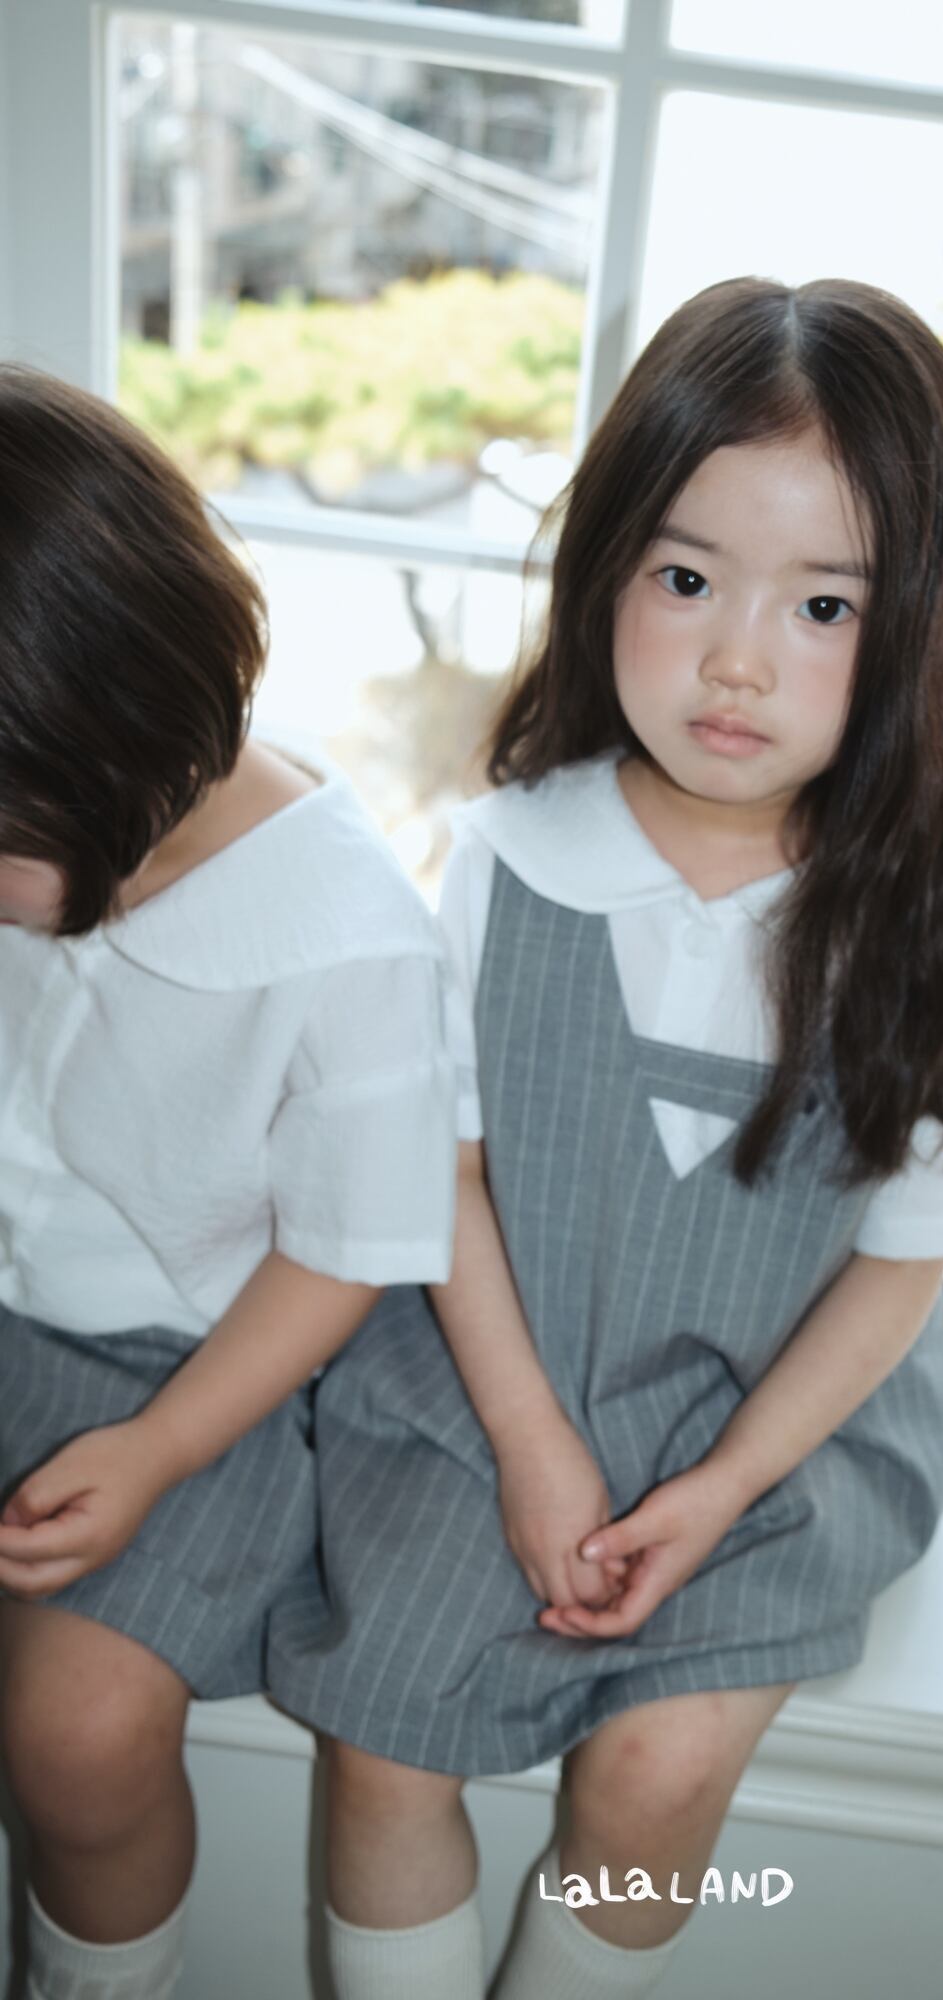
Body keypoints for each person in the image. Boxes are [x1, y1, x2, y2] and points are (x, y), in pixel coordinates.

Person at [267, 276, 943, 2000]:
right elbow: (451, 1175)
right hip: (495, 1379)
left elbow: (894, 1279)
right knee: (383, 1740)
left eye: (823, 605)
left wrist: (718, 1488)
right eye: (685, 579)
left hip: (784, 1427)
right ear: (603, 574)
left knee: (654, 1769)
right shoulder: (506, 861)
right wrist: (531, 1446)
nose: (738, 658)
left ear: (916, 626)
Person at [0, 367, 457, 2000]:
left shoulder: (346, 945)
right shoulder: (65, 828)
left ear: (110, 750)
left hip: (198, 1371)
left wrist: (158, 1448)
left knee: (80, 1730)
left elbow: (343, 1254)